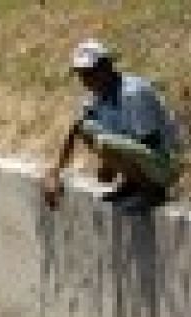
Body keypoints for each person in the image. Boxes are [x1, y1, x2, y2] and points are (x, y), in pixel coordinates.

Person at [43, 39, 181, 213]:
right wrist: (55, 172)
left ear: (107, 67)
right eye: (82, 74)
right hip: (140, 157)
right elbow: (76, 128)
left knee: (104, 142)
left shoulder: (133, 93)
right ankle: (133, 185)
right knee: (86, 128)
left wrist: (110, 163)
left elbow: (150, 142)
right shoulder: (97, 97)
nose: (87, 80)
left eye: (92, 72)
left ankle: (153, 192)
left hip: (164, 162)